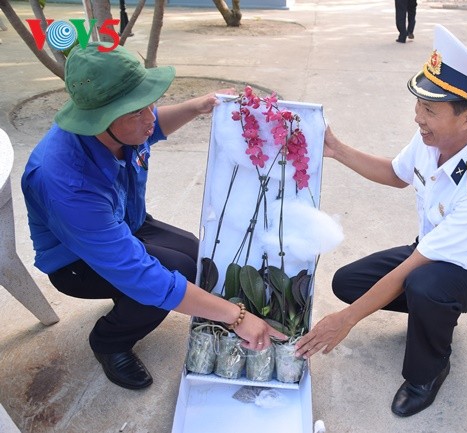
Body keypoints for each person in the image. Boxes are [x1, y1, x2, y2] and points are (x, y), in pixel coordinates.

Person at [21, 42, 285, 390]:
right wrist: (236, 317)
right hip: (75, 262)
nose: (150, 119)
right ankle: (109, 342)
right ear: (98, 119)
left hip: (124, 222)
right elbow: (141, 274)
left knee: (194, 252)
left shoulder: (117, 129)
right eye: (136, 113)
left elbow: (152, 125)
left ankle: (127, 302)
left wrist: (197, 106)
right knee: (170, 275)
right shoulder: (66, 182)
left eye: (149, 105)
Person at [296, 24, 467, 417]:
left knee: (424, 284)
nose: (418, 116)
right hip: (434, 250)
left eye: (430, 109)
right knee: (348, 282)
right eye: (419, 103)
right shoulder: (431, 139)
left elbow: (418, 266)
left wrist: (346, 322)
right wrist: (335, 150)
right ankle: (434, 312)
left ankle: (428, 371)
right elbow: (396, 174)